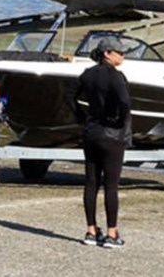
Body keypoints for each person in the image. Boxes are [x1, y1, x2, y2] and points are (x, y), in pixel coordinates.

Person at [71, 36, 132, 248]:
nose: (123, 56)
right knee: (111, 185)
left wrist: (82, 116)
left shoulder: (87, 74)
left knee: (91, 182)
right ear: (107, 53)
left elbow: (71, 98)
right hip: (112, 134)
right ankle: (112, 234)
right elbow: (124, 102)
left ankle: (90, 230)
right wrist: (121, 121)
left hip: (91, 131)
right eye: (120, 52)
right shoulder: (116, 76)